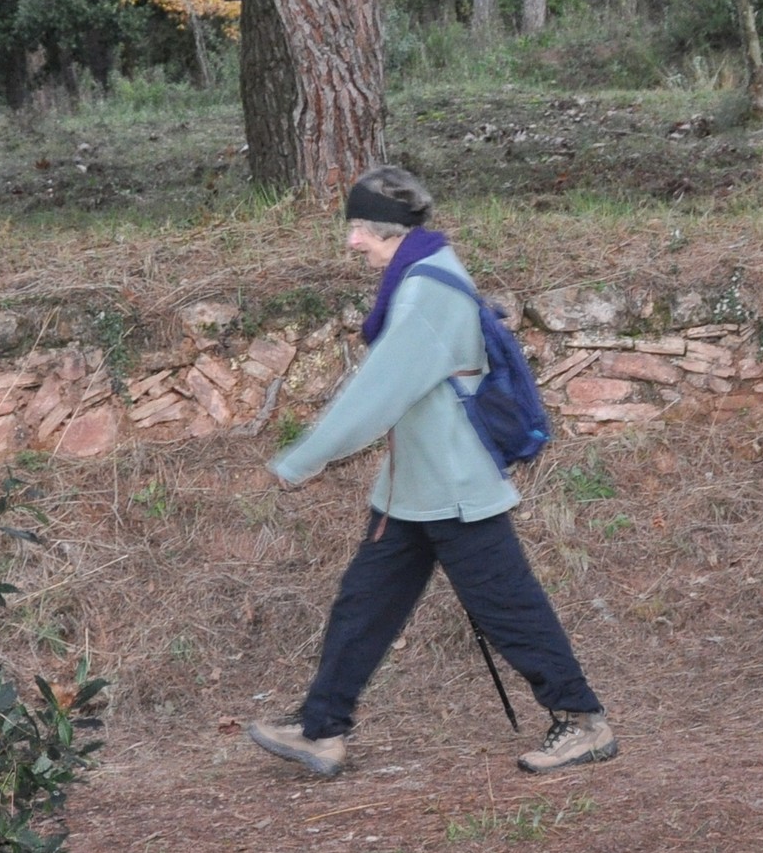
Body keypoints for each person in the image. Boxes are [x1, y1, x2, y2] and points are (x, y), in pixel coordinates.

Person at [245, 166, 618, 780]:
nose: (351, 241)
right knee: (363, 607)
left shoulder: (427, 291)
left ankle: (582, 721)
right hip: (413, 489)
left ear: (389, 229)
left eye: (360, 227)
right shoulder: (422, 272)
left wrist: (300, 461)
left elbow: (377, 393)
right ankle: (321, 729)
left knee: (508, 608)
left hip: (452, 486)